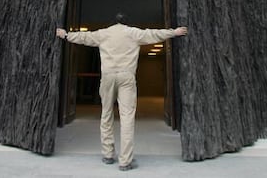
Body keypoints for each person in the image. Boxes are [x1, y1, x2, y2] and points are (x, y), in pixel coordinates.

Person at [56, 13, 187, 171]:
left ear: (113, 22)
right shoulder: (133, 33)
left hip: (108, 76)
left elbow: (84, 37)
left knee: (106, 114)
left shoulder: (103, 33)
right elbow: (154, 34)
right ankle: (125, 161)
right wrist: (174, 32)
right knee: (127, 118)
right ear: (126, 22)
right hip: (126, 77)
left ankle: (108, 154)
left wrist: (66, 35)